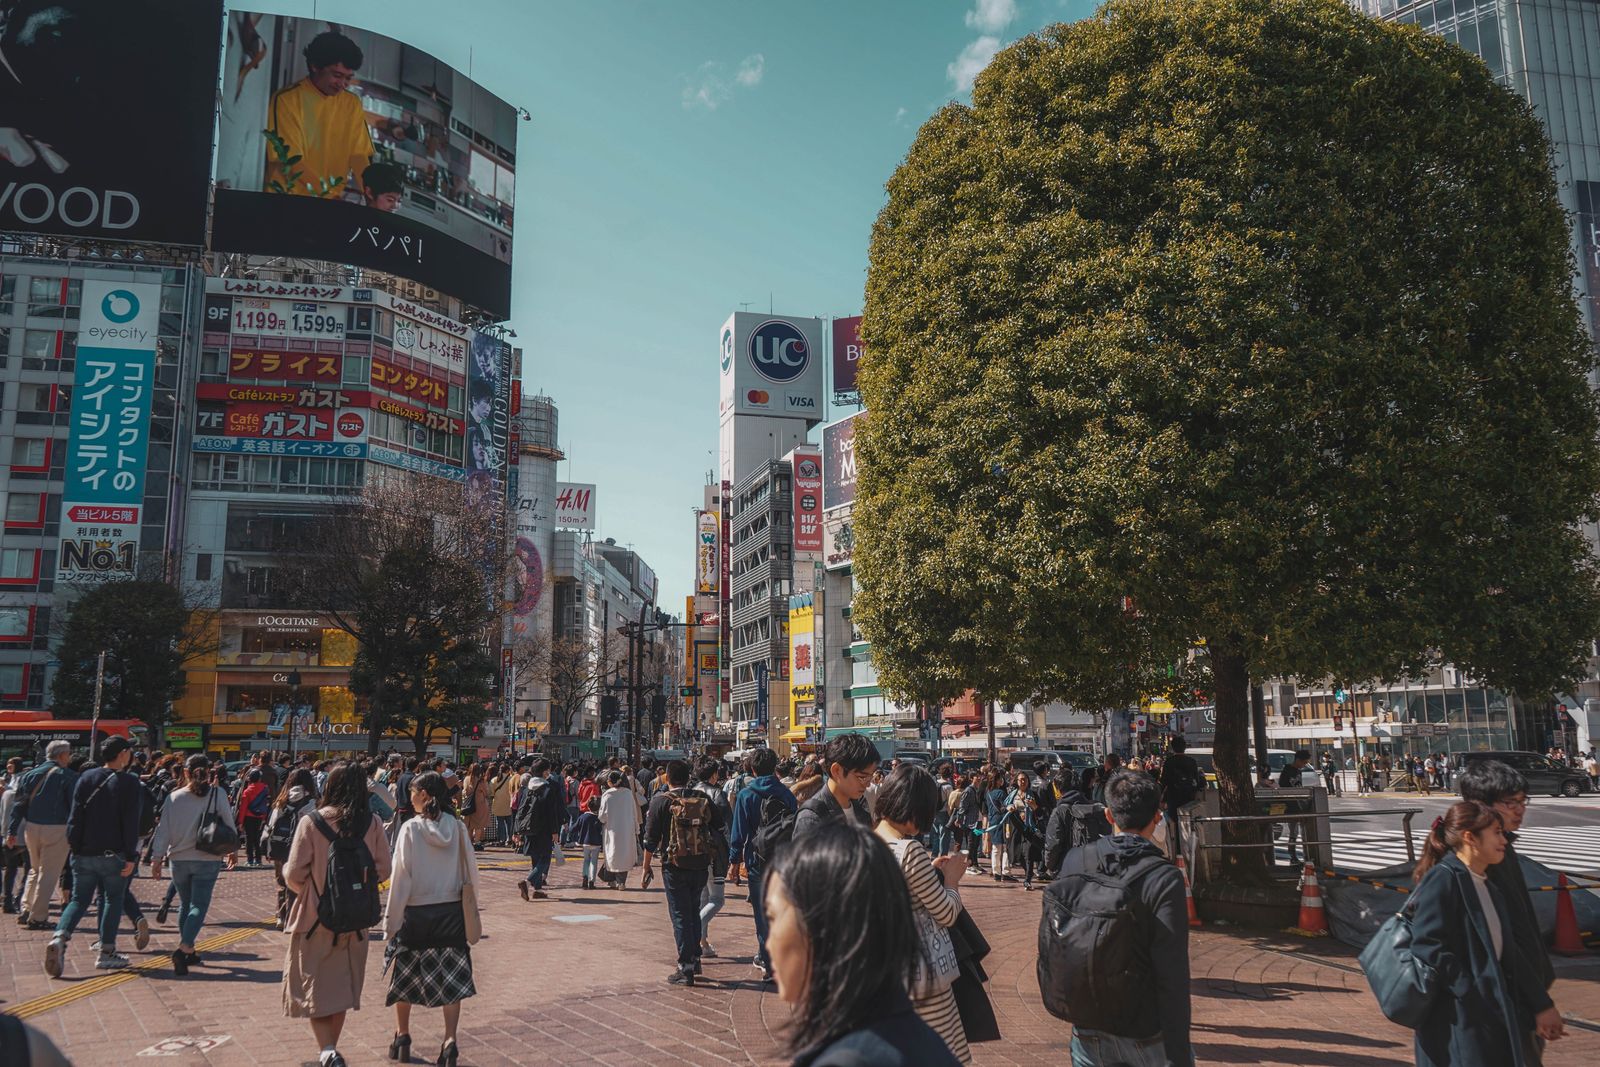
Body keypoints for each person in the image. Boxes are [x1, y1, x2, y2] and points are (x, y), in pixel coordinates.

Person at [764, 821, 960, 1067]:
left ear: (825, 924)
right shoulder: (915, 1037)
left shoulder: (847, 1060)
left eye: (773, 916)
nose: (768, 943)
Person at [1039, 769, 1193, 1066]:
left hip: (1086, 1022)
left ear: (1109, 815)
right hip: (1144, 1028)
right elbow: (1172, 973)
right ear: (1157, 817)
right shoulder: (1164, 878)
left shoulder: (1075, 861)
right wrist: (1178, 1051)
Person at [1408, 801, 1564, 1066]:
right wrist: (1470, 990)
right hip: (1459, 1022)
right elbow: (1426, 945)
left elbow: (1508, 951)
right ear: (1470, 837)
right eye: (1496, 832)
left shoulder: (1486, 885)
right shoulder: (1444, 879)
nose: (1504, 840)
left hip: (1490, 1016)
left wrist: (1541, 1004)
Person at [283, 763, 394, 1067]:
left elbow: (293, 873)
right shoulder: (371, 823)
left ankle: (327, 1050)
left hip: (314, 916)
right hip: (356, 918)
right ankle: (330, 1050)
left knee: (314, 988)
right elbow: (385, 868)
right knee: (340, 989)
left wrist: (310, 887)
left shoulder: (312, 822)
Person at [873, 766, 971, 1063]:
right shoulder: (910, 851)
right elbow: (946, 913)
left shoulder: (869, 840)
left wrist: (930, 873)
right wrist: (952, 879)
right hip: (922, 975)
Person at [383, 771, 481, 1067]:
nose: (409, 797)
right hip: (451, 912)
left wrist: (391, 921)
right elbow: (470, 874)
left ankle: (402, 1035)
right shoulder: (458, 827)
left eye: (413, 792)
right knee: (452, 981)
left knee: (405, 977)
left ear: (424, 795)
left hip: (416, 913)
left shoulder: (410, 830)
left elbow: (400, 877)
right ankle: (450, 1041)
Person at [1457, 761, 1556, 1004]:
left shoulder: (1500, 848)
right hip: (1497, 994)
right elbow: (1499, 933)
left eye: (1522, 801)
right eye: (1510, 803)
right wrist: (1537, 999)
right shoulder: (1473, 860)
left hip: (1512, 988)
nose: (1519, 809)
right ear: (1481, 806)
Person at [44, 736, 142, 975]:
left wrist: (75, 846)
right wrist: (131, 856)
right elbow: (131, 824)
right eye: (129, 752)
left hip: (83, 852)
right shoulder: (130, 783)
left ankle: (59, 937)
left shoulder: (85, 778)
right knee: (112, 899)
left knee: (78, 900)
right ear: (122, 754)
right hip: (114, 854)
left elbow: (75, 816)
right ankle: (106, 952)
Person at [148, 754, 238, 975]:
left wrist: (157, 858)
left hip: (178, 860)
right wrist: (233, 851)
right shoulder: (218, 795)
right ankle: (184, 948)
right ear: (209, 773)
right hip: (207, 858)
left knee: (185, 905)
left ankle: (189, 950)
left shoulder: (174, 797)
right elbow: (229, 823)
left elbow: (163, 831)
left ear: (185, 772)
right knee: (199, 905)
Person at [642, 759, 725, 985]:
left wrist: (646, 866)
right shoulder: (702, 798)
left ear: (667, 778)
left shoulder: (660, 801)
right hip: (700, 863)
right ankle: (695, 959)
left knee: (680, 915)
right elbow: (719, 825)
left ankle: (685, 966)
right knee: (694, 910)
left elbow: (650, 840)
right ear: (689, 777)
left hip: (674, 865)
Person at [265, 30, 374, 199]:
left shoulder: (352, 103)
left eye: (348, 78)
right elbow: (292, 160)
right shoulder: (287, 99)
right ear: (315, 66)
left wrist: (371, 194)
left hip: (328, 200)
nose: (342, 84)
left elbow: (358, 155)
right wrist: (329, 195)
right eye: (337, 75)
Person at [728, 747, 798, 983]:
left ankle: (769, 961)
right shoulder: (787, 794)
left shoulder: (747, 795)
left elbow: (738, 832)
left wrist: (734, 862)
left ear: (753, 769)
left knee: (761, 912)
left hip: (756, 860)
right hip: (783, 859)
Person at [6, 739, 77, 930]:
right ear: (62, 755)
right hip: (57, 828)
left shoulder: (29, 774)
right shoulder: (68, 776)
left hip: (31, 827)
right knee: (49, 873)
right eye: (68, 754)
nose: (69, 758)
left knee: (34, 870)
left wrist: (12, 831)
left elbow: (19, 805)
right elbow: (74, 807)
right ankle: (38, 917)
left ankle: (26, 909)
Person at [792, 733, 878, 841]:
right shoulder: (812, 818)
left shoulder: (861, 806)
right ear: (837, 770)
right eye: (862, 777)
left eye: (871, 777)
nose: (868, 784)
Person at [266, 767, 318, 930]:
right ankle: (294, 916)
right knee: (299, 882)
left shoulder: (281, 801)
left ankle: (281, 916)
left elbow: (271, 825)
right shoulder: (312, 802)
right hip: (301, 848)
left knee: (281, 882)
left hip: (280, 846)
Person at [693, 756, 733, 958]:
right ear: (714, 774)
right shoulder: (717, 793)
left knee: (703, 899)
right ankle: (694, 932)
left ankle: (703, 943)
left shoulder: (690, 792)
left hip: (692, 851)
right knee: (717, 900)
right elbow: (727, 826)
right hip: (713, 852)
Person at [512, 758, 564, 900]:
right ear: (545, 771)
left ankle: (538, 889)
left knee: (535, 858)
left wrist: (516, 831)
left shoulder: (527, 788)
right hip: (544, 829)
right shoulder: (548, 788)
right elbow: (551, 812)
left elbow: (520, 811)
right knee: (545, 859)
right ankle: (527, 882)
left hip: (528, 828)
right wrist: (555, 831)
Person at [1158, 737, 1205, 864]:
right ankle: (1190, 853)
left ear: (1173, 747)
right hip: (1189, 798)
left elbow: (1164, 782)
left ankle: (1177, 853)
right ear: (1185, 747)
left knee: (1174, 825)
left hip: (1174, 797)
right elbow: (1197, 780)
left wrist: (1161, 799)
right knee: (1189, 824)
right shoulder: (1191, 762)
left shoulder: (1169, 762)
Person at [597, 770, 640, 890]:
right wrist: (637, 828)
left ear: (610, 782)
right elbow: (634, 812)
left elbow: (602, 816)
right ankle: (621, 882)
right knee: (624, 855)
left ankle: (612, 880)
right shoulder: (628, 793)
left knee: (612, 854)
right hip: (627, 829)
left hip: (611, 829)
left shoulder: (607, 795)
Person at [1276, 749, 1313, 864]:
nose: (1304, 765)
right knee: (1294, 831)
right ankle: (1293, 856)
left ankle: (1302, 855)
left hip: (1298, 803)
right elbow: (1283, 788)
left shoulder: (1298, 771)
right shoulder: (1287, 772)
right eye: (1304, 762)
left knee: (1299, 830)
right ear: (1298, 760)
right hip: (1291, 804)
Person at [236, 769, 271, 868]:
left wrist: (240, 822)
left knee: (249, 838)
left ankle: (250, 859)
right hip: (260, 817)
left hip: (248, 816)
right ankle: (258, 859)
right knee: (257, 838)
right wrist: (264, 817)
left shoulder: (247, 791)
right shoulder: (265, 789)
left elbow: (243, 808)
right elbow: (266, 804)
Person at [572, 796, 604, 890]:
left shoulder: (583, 817)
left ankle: (585, 878)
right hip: (596, 843)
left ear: (588, 806)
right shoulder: (599, 818)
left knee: (586, 860)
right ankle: (591, 881)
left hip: (585, 843)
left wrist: (568, 830)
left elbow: (573, 828)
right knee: (594, 862)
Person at [459, 764, 489, 849]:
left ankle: (469, 842)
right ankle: (477, 842)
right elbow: (486, 793)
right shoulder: (481, 781)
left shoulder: (466, 779)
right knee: (478, 825)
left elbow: (464, 791)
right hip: (480, 805)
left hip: (468, 805)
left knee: (470, 824)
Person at [489, 764, 517, 847]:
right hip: (509, 803)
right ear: (508, 770)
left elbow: (491, 793)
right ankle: (509, 839)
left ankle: (502, 839)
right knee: (509, 823)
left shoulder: (494, 780)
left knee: (500, 823)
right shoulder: (511, 779)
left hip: (498, 804)